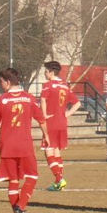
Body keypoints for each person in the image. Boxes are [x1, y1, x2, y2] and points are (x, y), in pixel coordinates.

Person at [0, 67, 50, 213]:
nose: (0, 85)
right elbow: (41, 119)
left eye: (1, 81)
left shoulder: (1, 100)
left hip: (6, 146)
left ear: (7, 82)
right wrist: (46, 135)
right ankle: (20, 207)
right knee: (32, 177)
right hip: (24, 145)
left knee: (13, 181)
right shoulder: (29, 98)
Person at [39, 60, 80, 191]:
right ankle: (59, 184)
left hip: (51, 122)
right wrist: (67, 114)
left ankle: (59, 179)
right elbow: (77, 103)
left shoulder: (48, 85)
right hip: (62, 123)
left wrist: (44, 115)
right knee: (56, 151)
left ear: (51, 72)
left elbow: (43, 100)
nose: (45, 74)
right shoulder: (65, 86)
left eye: (46, 71)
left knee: (48, 151)